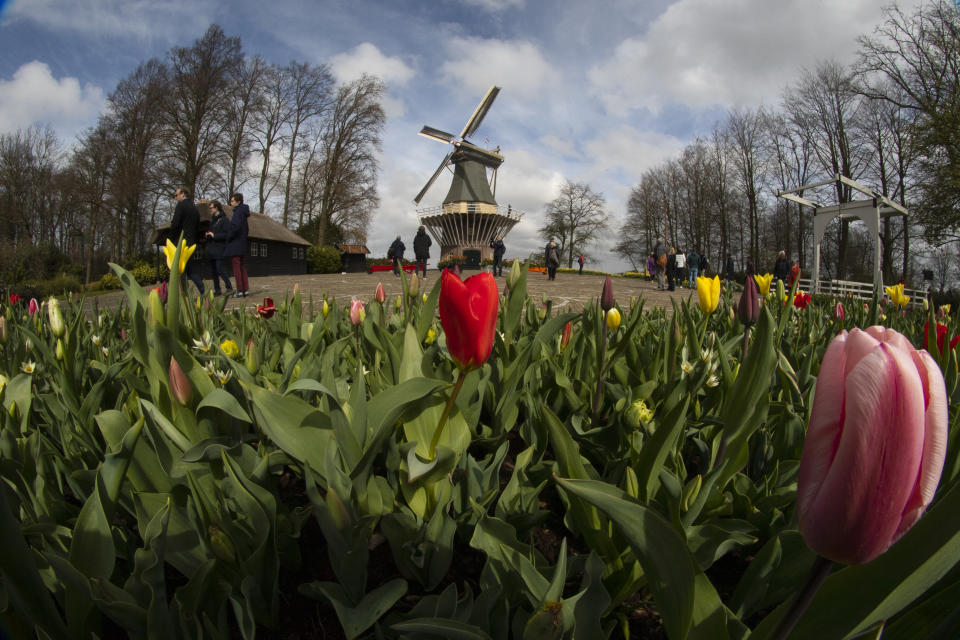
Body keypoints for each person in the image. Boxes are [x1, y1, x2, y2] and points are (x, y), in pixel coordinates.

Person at [170, 187, 204, 295]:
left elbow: (175, 223)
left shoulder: (181, 205)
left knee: (181, 270)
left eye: (176, 195)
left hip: (181, 241)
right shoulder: (194, 208)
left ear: (183, 194)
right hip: (191, 241)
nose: (175, 198)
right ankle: (203, 290)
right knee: (190, 269)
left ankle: (184, 295)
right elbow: (198, 226)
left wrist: (171, 238)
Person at [204, 200, 232, 296]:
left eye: (211, 208)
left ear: (216, 208)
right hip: (211, 249)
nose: (210, 210)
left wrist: (215, 235)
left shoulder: (224, 220)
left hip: (219, 248)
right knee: (214, 271)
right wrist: (208, 234)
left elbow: (227, 234)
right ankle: (217, 290)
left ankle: (229, 287)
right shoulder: (212, 220)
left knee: (220, 269)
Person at [226, 193, 250, 298]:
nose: (230, 203)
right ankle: (245, 289)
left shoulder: (237, 212)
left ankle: (240, 290)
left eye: (232, 201)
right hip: (242, 242)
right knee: (242, 266)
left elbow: (235, 227)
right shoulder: (243, 212)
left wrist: (229, 236)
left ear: (238, 202)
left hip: (236, 243)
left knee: (236, 267)